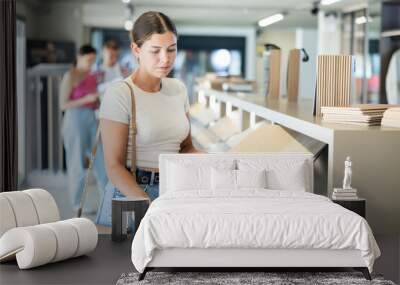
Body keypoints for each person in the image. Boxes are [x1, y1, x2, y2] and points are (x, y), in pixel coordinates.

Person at [96, 11, 203, 227]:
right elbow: (114, 167)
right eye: (155, 51)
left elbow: (186, 147)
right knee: (121, 261)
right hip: (132, 195)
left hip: (172, 191)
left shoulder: (179, 89)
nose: (165, 59)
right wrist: (148, 204)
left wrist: (218, 162)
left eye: (171, 50)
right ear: (136, 49)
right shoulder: (120, 94)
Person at [59, 44, 108, 213]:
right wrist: (87, 98)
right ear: (79, 57)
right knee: (77, 164)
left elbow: (95, 100)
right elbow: (63, 104)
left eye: (94, 60)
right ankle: (77, 204)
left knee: (100, 158)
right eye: (89, 60)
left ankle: (106, 201)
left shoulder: (92, 76)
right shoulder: (70, 75)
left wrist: (97, 99)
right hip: (74, 119)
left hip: (91, 118)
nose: (91, 63)